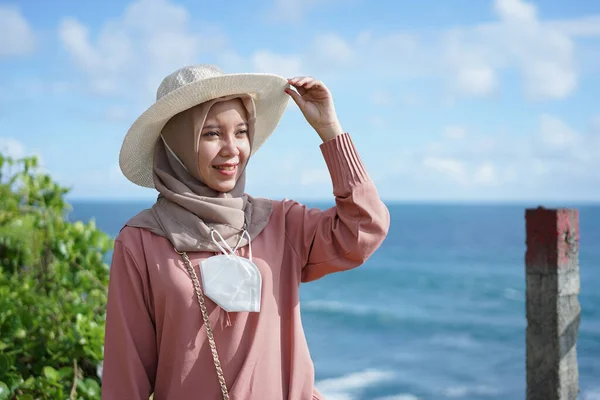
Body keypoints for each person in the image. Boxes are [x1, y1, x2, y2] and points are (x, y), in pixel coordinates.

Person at [101, 64, 390, 400]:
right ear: (178, 142)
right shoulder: (141, 241)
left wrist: (329, 129)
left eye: (240, 132)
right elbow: (126, 377)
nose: (231, 149)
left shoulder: (280, 222)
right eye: (210, 134)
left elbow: (364, 228)